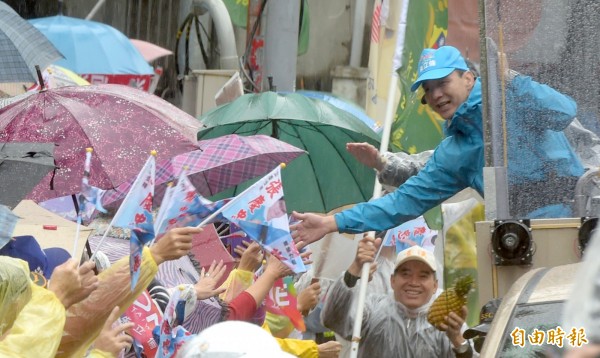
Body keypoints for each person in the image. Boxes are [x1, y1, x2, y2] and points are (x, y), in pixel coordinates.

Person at [291, 45, 583, 246]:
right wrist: (333, 223)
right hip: (517, 239)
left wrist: (509, 78)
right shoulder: (454, 152)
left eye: (443, 83)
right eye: (428, 90)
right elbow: (402, 203)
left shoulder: (512, 96)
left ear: (468, 78)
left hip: (579, 220)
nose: (436, 95)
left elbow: (564, 112)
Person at [321, 236, 475, 357]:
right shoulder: (373, 308)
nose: (413, 282)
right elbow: (334, 320)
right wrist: (355, 268)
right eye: (405, 274)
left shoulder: (448, 320)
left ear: (435, 285)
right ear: (392, 280)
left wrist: (458, 341)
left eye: (423, 276)